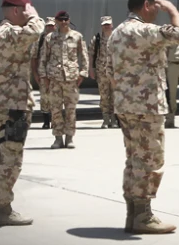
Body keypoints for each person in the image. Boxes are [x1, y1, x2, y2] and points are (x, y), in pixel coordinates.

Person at [107, 0, 179, 234]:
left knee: (134, 159)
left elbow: (110, 73)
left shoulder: (117, 33)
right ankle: (143, 216)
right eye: (156, 5)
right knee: (150, 159)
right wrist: (173, 9)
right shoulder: (144, 30)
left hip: (125, 105)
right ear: (146, 5)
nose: (158, 9)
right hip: (147, 106)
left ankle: (134, 215)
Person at [0, 0, 44, 226]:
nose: (28, 14)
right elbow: (35, 31)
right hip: (12, 105)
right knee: (9, 158)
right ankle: (2, 209)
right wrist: (35, 16)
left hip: (3, 102)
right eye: (25, 10)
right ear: (17, 11)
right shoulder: (8, 32)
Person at [38, 10, 88, 149]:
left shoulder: (77, 37)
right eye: (61, 20)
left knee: (71, 110)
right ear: (56, 21)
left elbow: (84, 56)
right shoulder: (50, 38)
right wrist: (44, 77)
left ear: (69, 20)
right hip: (54, 79)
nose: (64, 22)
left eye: (66, 19)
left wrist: (83, 73)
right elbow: (43, 58)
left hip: (71, 79)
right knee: (55, 110)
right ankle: (58, 138)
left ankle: (69, 137)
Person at [89, 16, 117, 129]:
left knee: (115, 96)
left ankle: (114, 119)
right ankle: (106, 119)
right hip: (102, 72)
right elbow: (91, 54)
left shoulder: (117, 38)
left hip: (115, 72)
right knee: (104, 96)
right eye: (104, 24)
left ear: (112, 25)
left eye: (108, 24)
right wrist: (91, 69)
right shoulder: (97, 39)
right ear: (101, 25)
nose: (107, 26)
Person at [31, 17, 56, 129]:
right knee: (44, 98)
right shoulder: (39, 40)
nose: (50, 28)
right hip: (43, 73)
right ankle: (46, 121)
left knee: (57, 98)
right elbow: (34, 58)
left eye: (52, 25)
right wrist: (35, 74)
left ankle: (56, 120)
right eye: (48, 26)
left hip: (56, 73)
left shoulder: (59, 39)